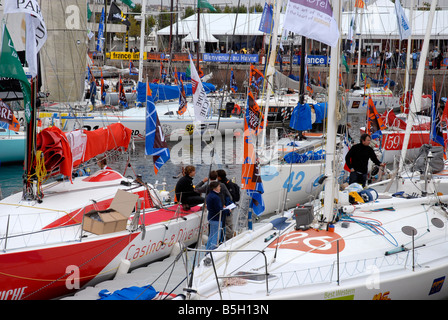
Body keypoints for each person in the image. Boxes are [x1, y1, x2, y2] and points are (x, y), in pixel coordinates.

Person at [197, 170, 234, 239]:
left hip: (212, 211)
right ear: (217, 177)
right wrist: (226, 205)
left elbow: (196, 189)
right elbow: (230, 196)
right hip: (221, 210)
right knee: (222, 227)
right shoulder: (222, 185)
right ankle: (221, 241)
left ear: (209, 177)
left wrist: (203, 181)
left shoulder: (207, 186)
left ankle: (213, 242)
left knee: (212, 230)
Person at [205, 181, 225, 250]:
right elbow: (219, 210)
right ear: (215, 188)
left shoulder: (209, 195)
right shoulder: (216, 197)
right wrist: (227, 210)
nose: (220, 188)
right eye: (219, 186)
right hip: (216, 219)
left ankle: (207, 250)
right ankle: (212, 251)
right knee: (216, 237)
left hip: (211, 217)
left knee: (211, 235)